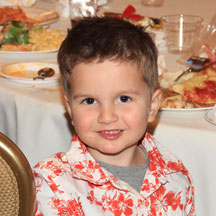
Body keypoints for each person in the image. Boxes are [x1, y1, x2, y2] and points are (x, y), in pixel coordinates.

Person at [33, 16, 195, 215]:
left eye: (124, 99)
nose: (107, 117)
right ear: (70, 109)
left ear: (152, 106)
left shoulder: (174, 176)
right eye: (89, 101)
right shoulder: (53, 188)